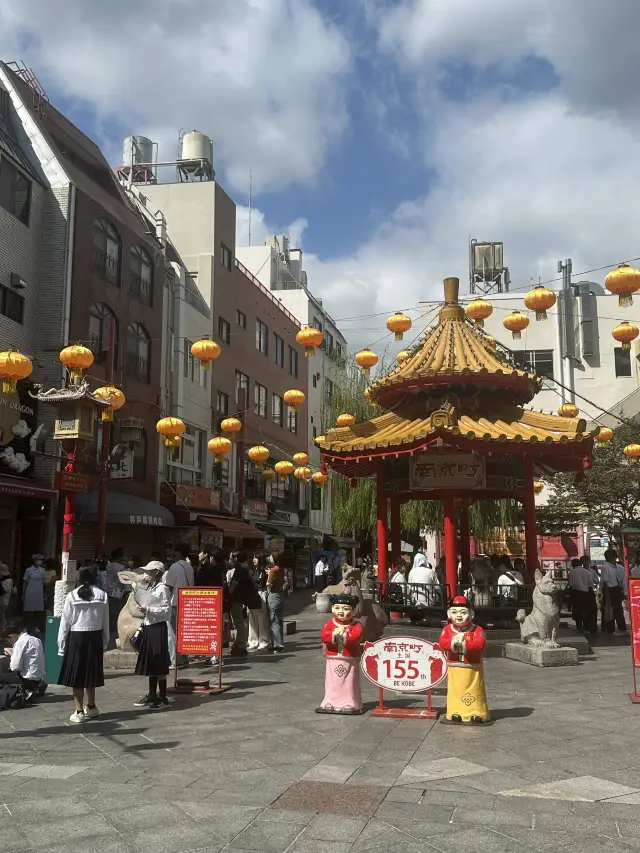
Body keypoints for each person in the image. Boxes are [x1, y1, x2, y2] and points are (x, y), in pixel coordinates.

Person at [57, 566, 109, 723]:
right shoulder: (103, 595)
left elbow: (65, 622)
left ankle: (79, 711)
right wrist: (105, 641)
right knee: (91, 673)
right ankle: (92, 707)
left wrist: (61, 644)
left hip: (76, 637)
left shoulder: (72, 595)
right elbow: (106, 621)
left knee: (77, 675)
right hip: (95, 637)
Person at [437, 595, 490, 724]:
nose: (459, 616)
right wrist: (453, 642)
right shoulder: (447, 630)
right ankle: (455, 711)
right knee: (456, 690)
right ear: (449, 614)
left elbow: (480, 644)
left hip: (472, 667)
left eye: (463, 612)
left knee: (475, 689)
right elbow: (442, 643)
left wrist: (465, 644)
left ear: (471, 614)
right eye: (454, 612)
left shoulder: (477, 630)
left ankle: (477, 712)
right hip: (455, 667)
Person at [132, 561, 171, 710]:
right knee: (151, 662)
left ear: (156, 572)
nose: (146, 574)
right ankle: (152, 694)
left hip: (157, 628)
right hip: (149, 626)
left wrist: (148, 609)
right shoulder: (151, 587)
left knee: (159, 662)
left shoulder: (163, 589)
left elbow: (166, 611)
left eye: (149, 571)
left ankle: (163, 697)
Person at [164, 543, 194, 667]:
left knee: (173, 632)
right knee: (183, 631)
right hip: (188, 603)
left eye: (175, 551)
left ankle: (176, 659)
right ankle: (184, 657)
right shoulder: (189, 567)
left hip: (175, 602)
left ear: (179, 553)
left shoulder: (174, 567)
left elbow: (169, 586)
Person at [9, 622, 46, 701]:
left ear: (11, 636)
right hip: (38, 678)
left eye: (8, 640)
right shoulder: (37, 640)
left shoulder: (19, 643)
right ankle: (35, 689)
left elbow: (15, 667)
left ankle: (26, 690)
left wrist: (12, 654)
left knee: (3, 678)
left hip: (27, 679)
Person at [226, 550, 251, 656]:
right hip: (241, 598)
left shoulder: (239, 570)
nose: (232, 560)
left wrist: (228, 594)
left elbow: (234, 584)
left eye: (233, 558)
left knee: (238, 623)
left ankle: (241, 644)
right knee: (239, 621)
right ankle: (239, 643)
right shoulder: (245, 569)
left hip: (236, 599)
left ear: (237, 558)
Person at [600, 548, 627, 633]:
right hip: (609, 590)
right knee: (608, 609)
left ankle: (621, 627)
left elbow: (624, 581)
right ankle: (609, 628)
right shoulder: (605, 567)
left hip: (617, 590)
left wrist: (625, 592)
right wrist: (602, 593)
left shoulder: (621, 568)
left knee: (618, 609)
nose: (611, 559)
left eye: (612, 557)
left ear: (615, 557)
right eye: (608, 558)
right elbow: (604, 582)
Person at [266, 552, 288, 654]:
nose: (269, 559)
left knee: (274, 620)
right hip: (280, 595)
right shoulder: (282, 569)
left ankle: (277, 645)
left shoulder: (273, 570)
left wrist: (268, 577)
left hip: (274, 595)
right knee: (278, 621)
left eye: (271, 557)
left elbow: (269, 584)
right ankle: (278, 643)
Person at [568, 557, 597, 634]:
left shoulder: (572, 572)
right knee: (586, 610)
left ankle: (579, 626)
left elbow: (570, 584)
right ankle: (586, 626)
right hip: (586, 593)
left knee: (577, 610)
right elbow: (590, 584)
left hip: (576, 593)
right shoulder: (587, 572)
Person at [248, 552, 270, 651]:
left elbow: (267, 584)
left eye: (256, 558)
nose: (254, 560)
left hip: (261, 594)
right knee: (252, 619)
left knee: (262, 619)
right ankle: (253, 641)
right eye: (253, 558)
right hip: (252, 595)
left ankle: (263, 641)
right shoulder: (251, 570)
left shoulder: (265, 571)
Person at [22, 554, 45, 632]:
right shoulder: (28, 570)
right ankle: (27, 626)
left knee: (38, 610)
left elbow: (44, 581)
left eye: (41, 560)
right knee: (29, 610)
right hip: (30, 591)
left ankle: (36, 626)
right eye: (38, 560)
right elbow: (25, 582)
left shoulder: (42, 570)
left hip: (39, 592)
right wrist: (23, 593)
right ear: (34, 561)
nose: (40, 561)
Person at [105, 548, 126, 633]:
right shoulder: (121, 567)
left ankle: (109, 626)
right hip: (118, 589)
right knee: (117, 609)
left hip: (108, 589)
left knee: (110, 609)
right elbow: (123, 579)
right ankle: (115, 627)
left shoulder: (108, 565)